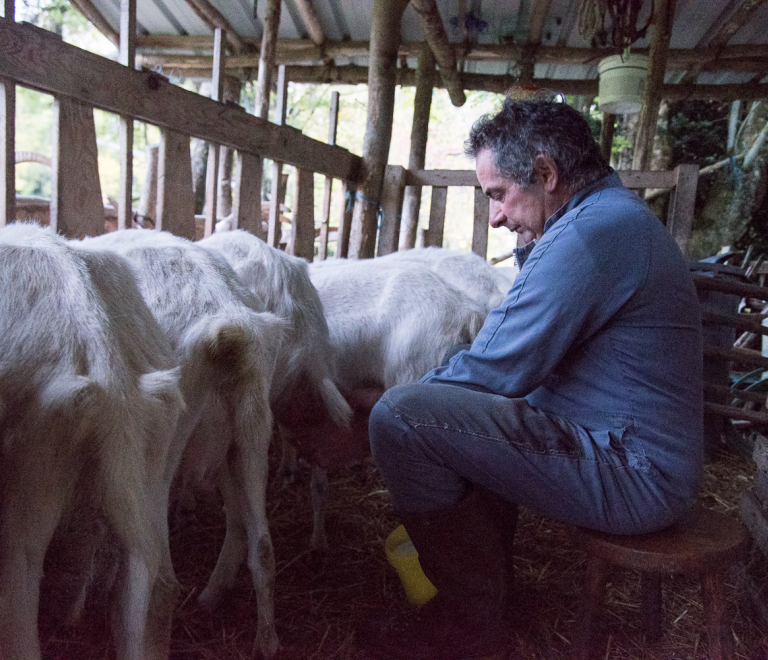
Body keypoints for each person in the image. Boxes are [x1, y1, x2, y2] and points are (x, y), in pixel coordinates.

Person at [358, 99, 704, 660]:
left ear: (546, 174)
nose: (495, 217)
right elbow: (501, 367)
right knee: (461, 418)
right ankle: (493, 601)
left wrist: (369, 407)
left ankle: (466, 631)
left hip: (636, 472)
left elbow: (495, 367)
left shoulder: (591, 236)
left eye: (498, 194)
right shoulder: (609, 219)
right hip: (628, 451)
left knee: (401, 420)